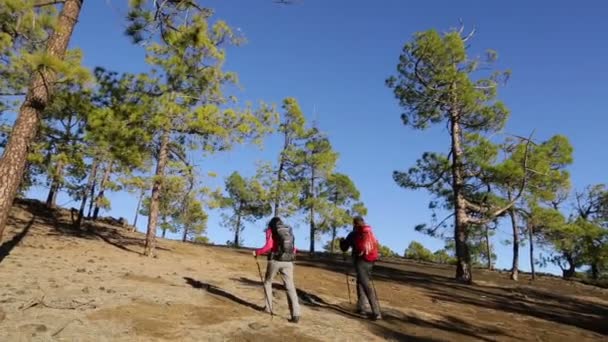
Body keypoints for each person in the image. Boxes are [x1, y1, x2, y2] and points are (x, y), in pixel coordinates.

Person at [253, 217, 301, 323]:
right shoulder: (287, 230)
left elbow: (269, 246)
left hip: (275, 260)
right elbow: (294, 248)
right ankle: (296, 314)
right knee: (290, 287)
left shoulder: (271, 230)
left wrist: (257, 252)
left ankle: (268, 308)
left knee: (267, 282)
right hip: (288, 261)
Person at [339, 216, 382, 320]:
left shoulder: (354, 234)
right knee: (361, 282)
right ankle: (361, 308)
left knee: (366, 285)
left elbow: (344, 248)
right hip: (371, 261)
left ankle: (376, 312)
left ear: (354, 224)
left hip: (360, 261)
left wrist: (341, 242)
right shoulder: (369, 232)